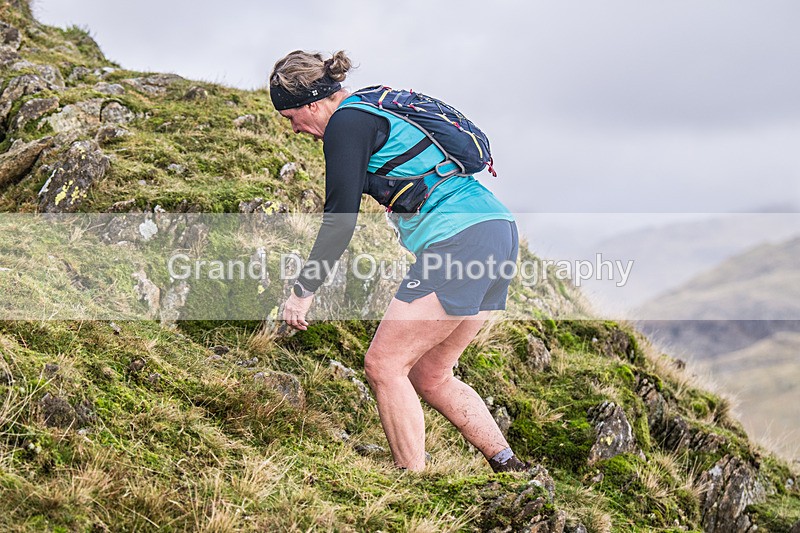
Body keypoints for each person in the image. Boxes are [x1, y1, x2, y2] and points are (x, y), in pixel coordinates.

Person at [270, 50, 528, 473]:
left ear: (313, 103)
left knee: (384, 364)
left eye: (292, 117)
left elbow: (339, 221)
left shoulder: (347, 124)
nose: (298, 129)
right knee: (431, 373)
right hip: (496, 229)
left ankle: (412, 482)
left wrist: (303, 292)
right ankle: (512, 469)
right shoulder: (371, 105)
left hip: (461, 238)